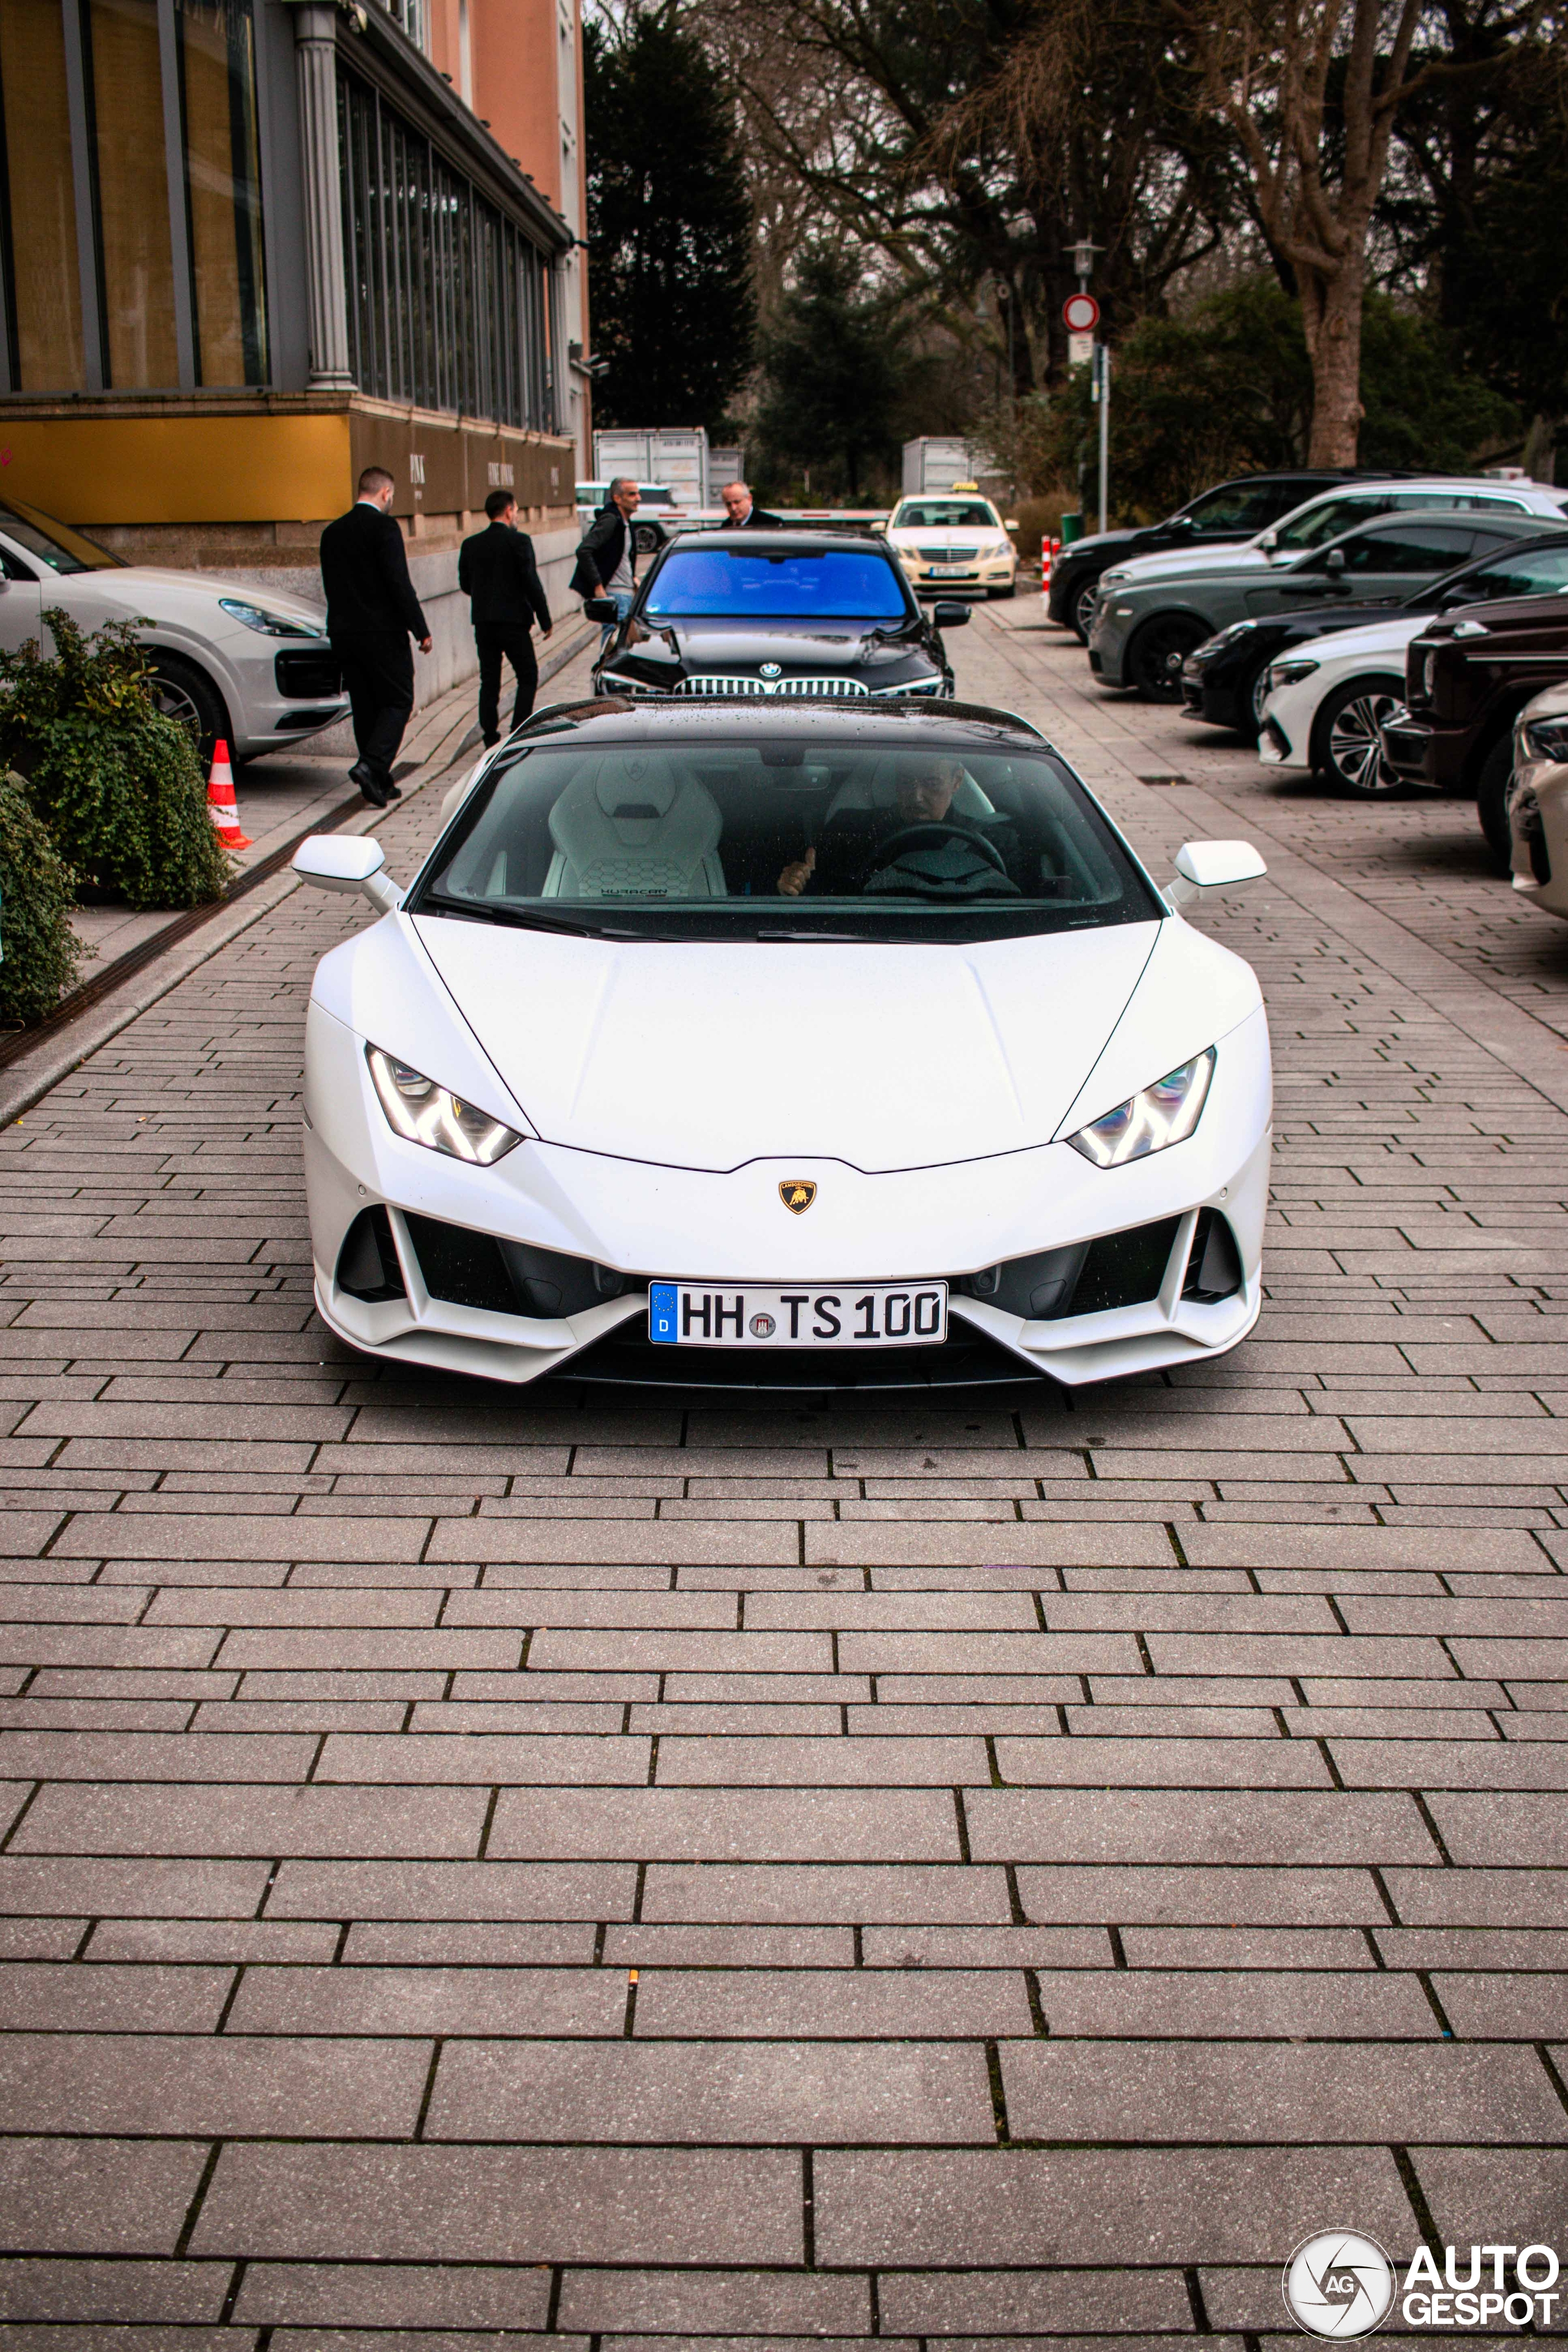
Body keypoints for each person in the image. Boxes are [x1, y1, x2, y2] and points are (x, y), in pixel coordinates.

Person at [318, 466, 432, 808]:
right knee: (398, 700)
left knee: (366, 703)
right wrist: (421, 630)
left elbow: (331, 586)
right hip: (382, 633)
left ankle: (380, 780)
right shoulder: (385, 527)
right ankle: (371, 766)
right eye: (392, 497)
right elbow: (399, 582)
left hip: (344, 633)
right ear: (385, 494)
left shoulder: (332, 533)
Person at [777, 753, 1028, 898]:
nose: (917, 797)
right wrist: (796, 886)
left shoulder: (997, 841)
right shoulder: (852, 830)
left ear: (957, 781)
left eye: (932, 783)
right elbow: (821, 902)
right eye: (907, 782)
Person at [458, 489, 554, 747]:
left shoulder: (471, 545)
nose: (518, 516)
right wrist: (545, 619)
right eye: (518, 510)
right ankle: (518, 731)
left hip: (484, 622)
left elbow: (465, 584)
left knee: (489, 681)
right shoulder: (519, 541)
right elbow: (531, 582)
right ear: (509, 511)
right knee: (528, 675)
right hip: (514, 622)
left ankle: (490, 737)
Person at [571, 477, 641, 649]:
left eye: (638, 494)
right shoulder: (611, 520)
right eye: (632, 494)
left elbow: (620, 555)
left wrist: (632, 577)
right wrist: (598, 586)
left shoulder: (625, 522)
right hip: (614, 595)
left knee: (620, 642)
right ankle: (605, 673)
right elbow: (584, 550)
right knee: (614, 644)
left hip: (625, 592)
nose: (638, 498)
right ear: (617, 498)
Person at [720, 481, 784, 529]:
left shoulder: (771, 524)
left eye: (737, 502)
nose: (733, 508)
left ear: (749, 499)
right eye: (728, 504)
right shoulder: (726, 526)